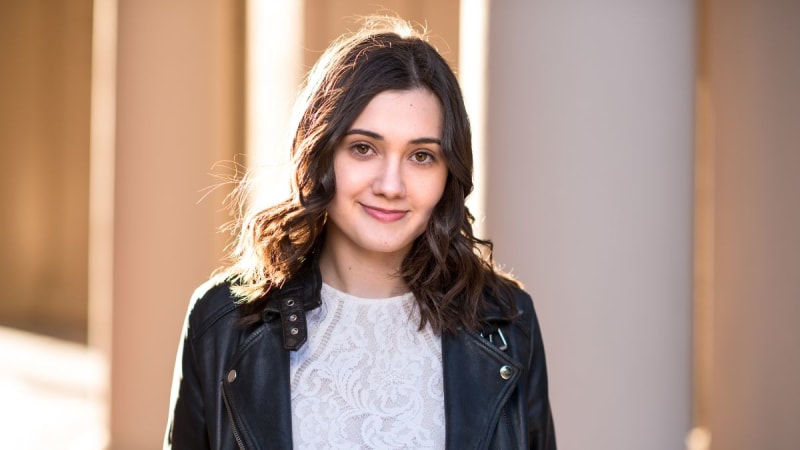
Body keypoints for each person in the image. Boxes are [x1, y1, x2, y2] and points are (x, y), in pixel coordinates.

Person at [165, 16, 555, 450]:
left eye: (422, 156)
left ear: (450, 173)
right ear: (319, 153)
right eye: (363, 148)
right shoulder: (222, 320)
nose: (391, 185)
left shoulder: (507, 322)